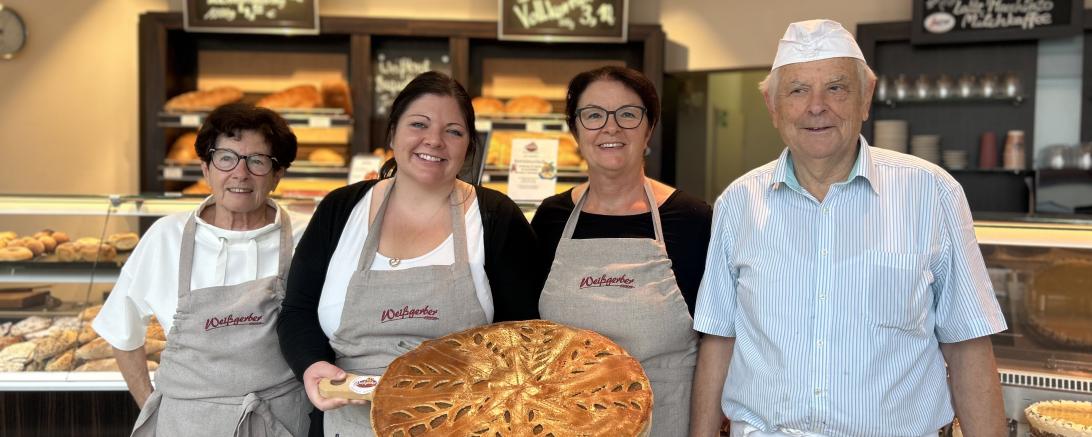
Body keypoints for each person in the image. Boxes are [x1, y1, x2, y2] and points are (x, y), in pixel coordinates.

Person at [689, 19, 1009, 437]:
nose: (816, 106)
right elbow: (719, 340)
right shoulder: (737, 203)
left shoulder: (932, 193)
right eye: (797, 90)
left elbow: (968, 346)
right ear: (772, 106)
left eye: (836, 88)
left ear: (866, 98)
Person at [278, 71, 541, 437]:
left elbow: (526, 334)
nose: (434, 140)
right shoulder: (341, 209)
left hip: (463, 423)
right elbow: (297, 310)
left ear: (469, 146)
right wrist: (311, 365)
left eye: (453, 131)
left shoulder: (495, 216)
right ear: (392, 134)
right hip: (347, 420)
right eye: (419, 124)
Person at [93, 102, 311, 436]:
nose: (240, 173)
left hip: (280, 422)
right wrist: (153, 405)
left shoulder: (307, 236)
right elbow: (121, 330)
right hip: (186, 424)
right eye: (226, 158)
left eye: (257, 161)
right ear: (206, 169)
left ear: (277, 174)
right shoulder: (167, 236)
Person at [534, 65, 713, 436]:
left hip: (666, 422)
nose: (610, 128)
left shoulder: (692, 219)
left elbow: (717, 339)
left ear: (649, 128)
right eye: (593, 115)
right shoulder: (552, 217)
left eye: (628, 114)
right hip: (565, 424)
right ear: (575, 130)